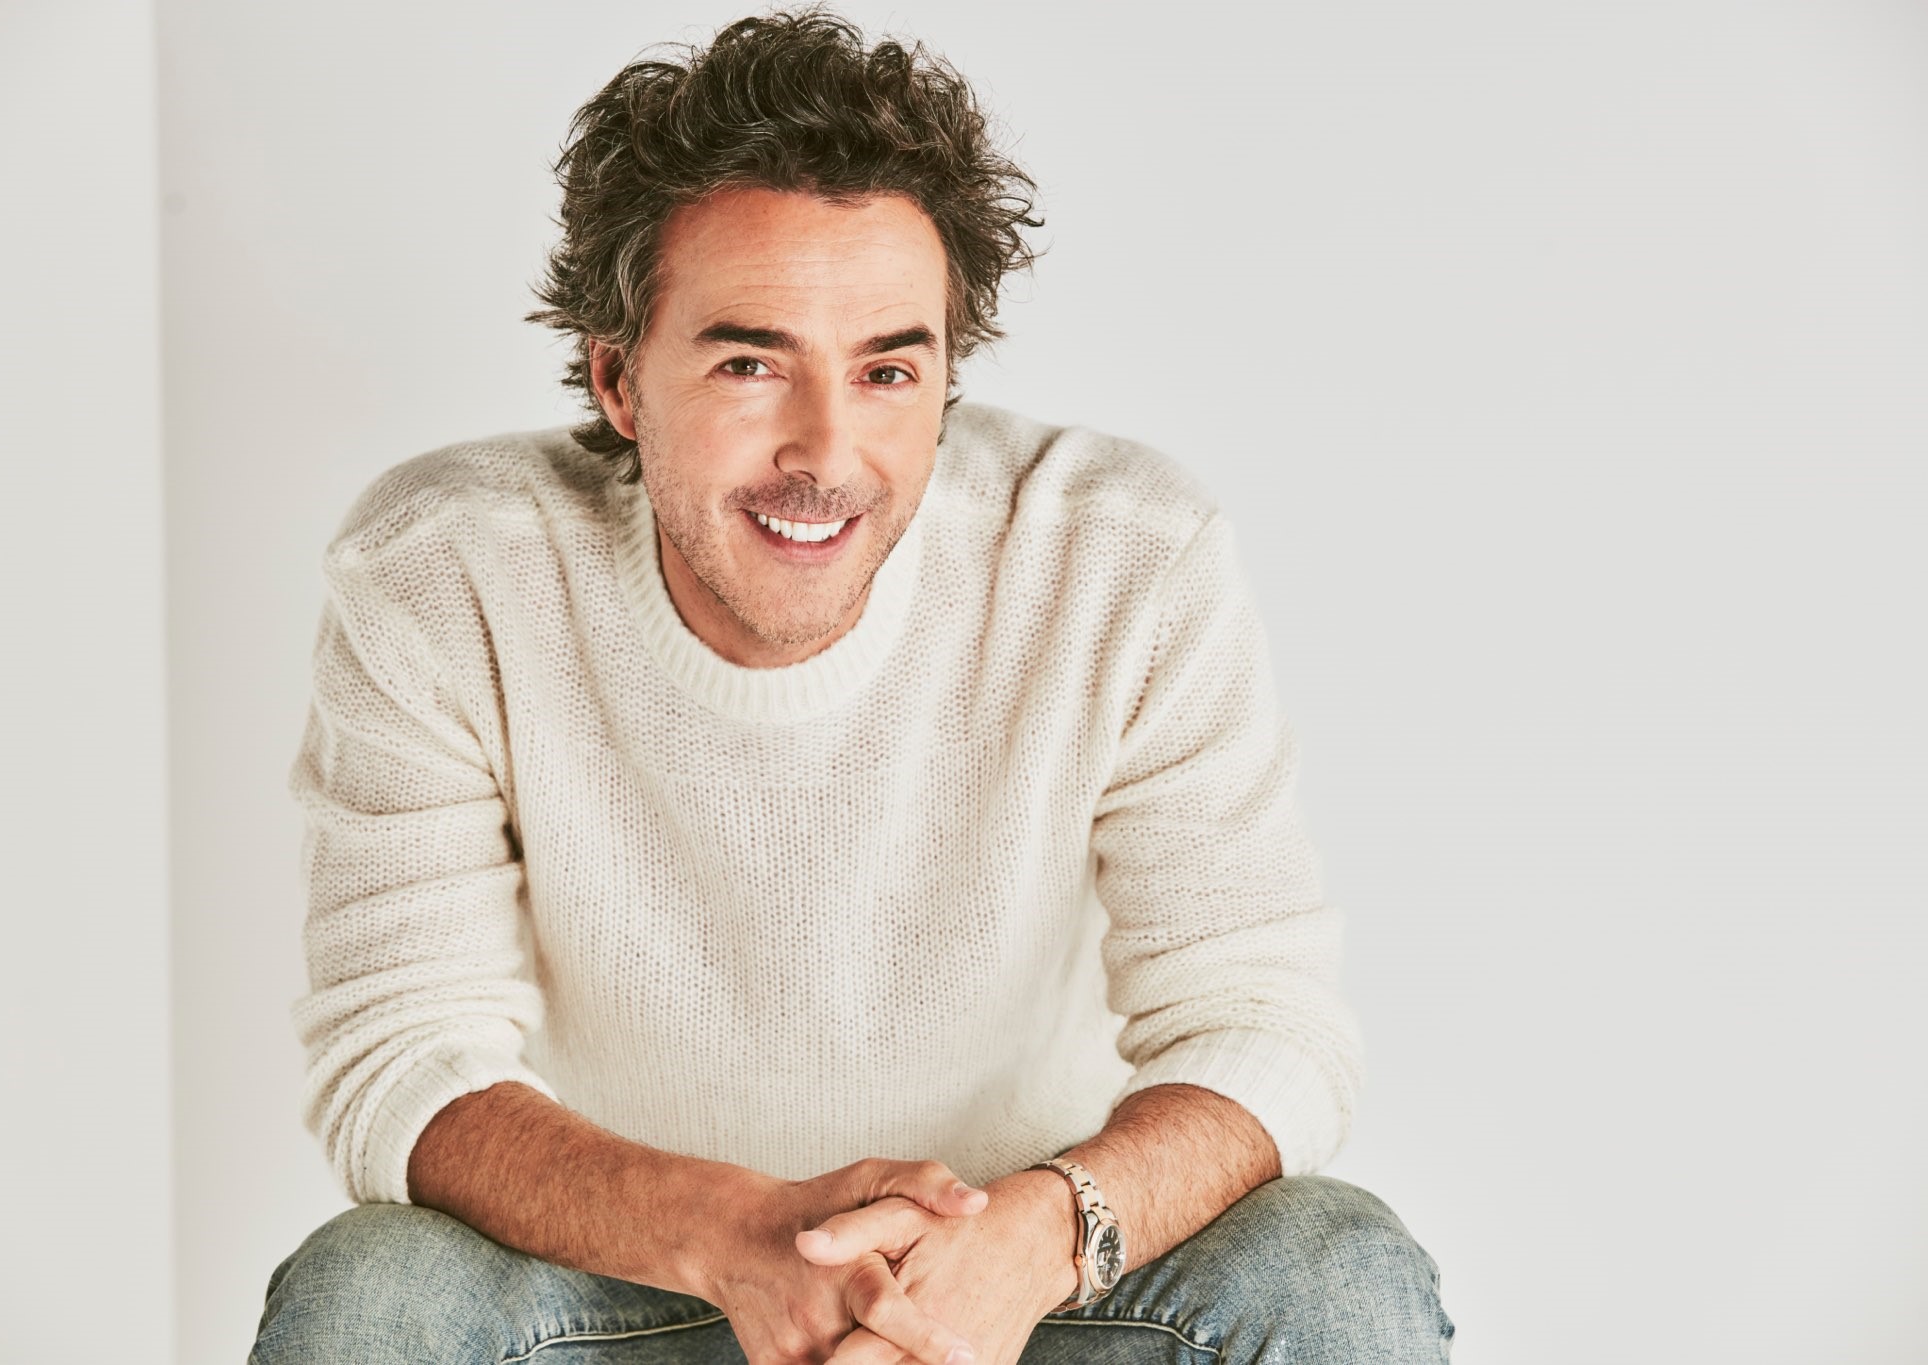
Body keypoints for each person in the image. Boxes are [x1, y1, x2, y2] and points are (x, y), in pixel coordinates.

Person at [250, 8, 1452, 1362]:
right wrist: (738, 1236)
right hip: (635, 1290)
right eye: (752, 362)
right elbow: (405, 1060)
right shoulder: (443, 570)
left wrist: (1029, 1240)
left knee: (1336, 1265)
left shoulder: (1119, 554)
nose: (826, 449)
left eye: (888, 368)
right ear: (619, 376)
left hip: (1018, 1296)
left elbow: (1266, 1026)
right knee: (373, 1293)